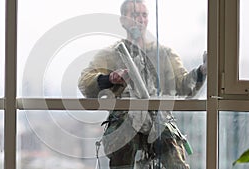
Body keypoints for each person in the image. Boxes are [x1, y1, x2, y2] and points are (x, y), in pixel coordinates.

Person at [78, 0, 207, 168]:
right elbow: (85, 82)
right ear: (123, 20)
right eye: (134, 14)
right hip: (124, 119)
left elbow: (183, 85)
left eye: (143, 15)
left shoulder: (163, 54)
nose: (139, 19)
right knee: (122, 153)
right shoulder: (111, 54)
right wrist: (110, 79)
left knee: (174, 158)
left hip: (158, 118)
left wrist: (202, 71)